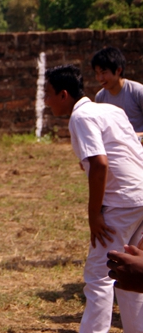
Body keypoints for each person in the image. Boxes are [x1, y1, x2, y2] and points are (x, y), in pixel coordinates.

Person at [43, 65, 143, 333]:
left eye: (48, 94)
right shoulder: (110, 109)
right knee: (130, 273)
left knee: (99, 276)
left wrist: (94, 215)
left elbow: (100, 164)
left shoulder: (81, 117)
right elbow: (127, 150)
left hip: (121, 203)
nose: (46, 101)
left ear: (64, 95)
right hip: (140, 197)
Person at [93, 46, 143, 137]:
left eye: (103, 73)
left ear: (118, 70)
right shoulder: (100, 98)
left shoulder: (138, 92)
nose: (100, 78)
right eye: (97, 73)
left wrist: (133, 139)